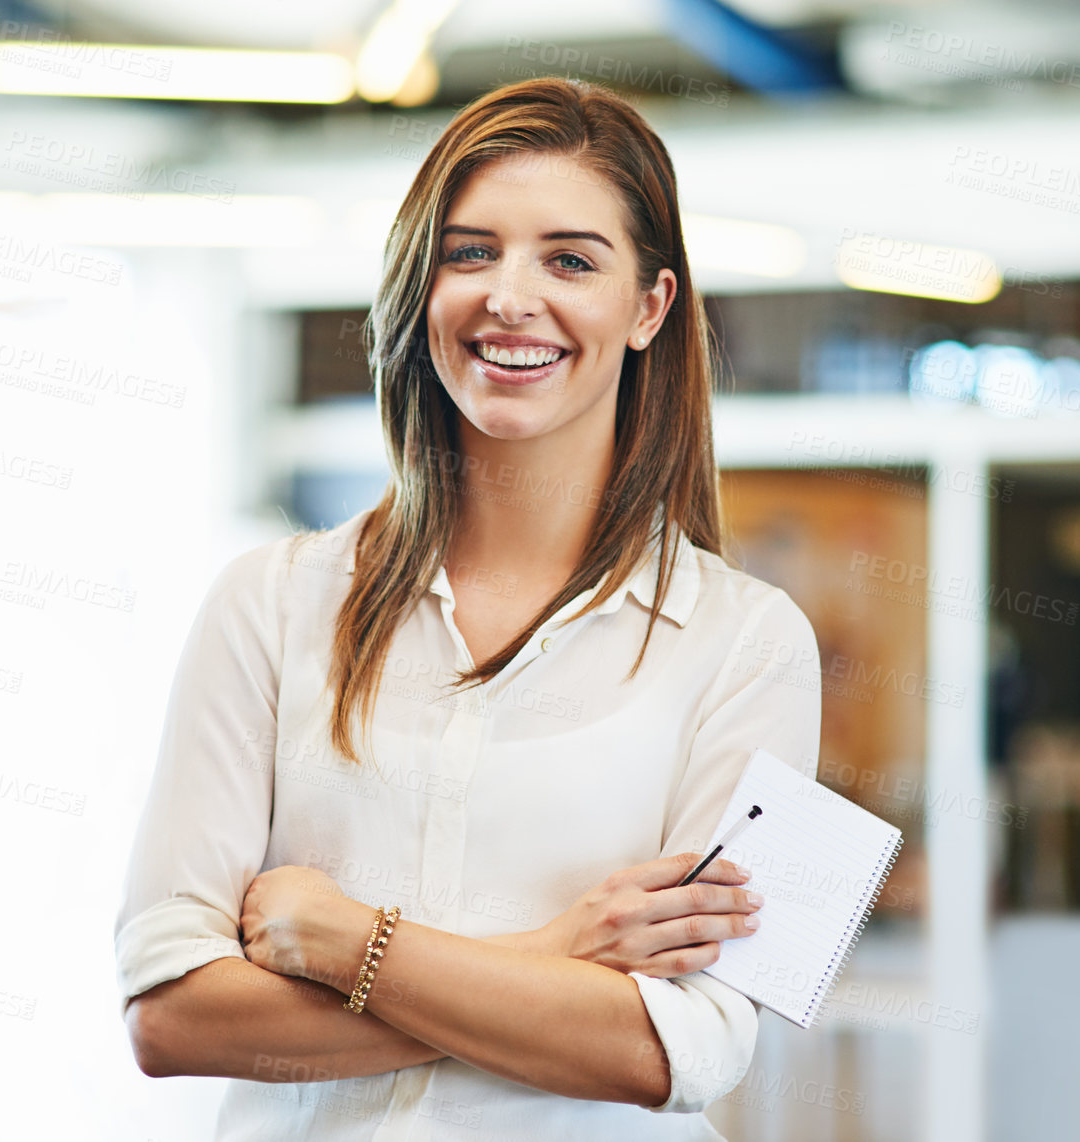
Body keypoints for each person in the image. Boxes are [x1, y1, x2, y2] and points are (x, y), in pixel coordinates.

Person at [115, 76, 822, 1141]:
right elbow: (171, 1016)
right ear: (420, 284)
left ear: (648, 308)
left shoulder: (760, 643)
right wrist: (556, 956)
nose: (509, 296)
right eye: (469, 251)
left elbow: (686, 1050)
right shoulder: (264, 603)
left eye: (570, 259)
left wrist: (346, 939)